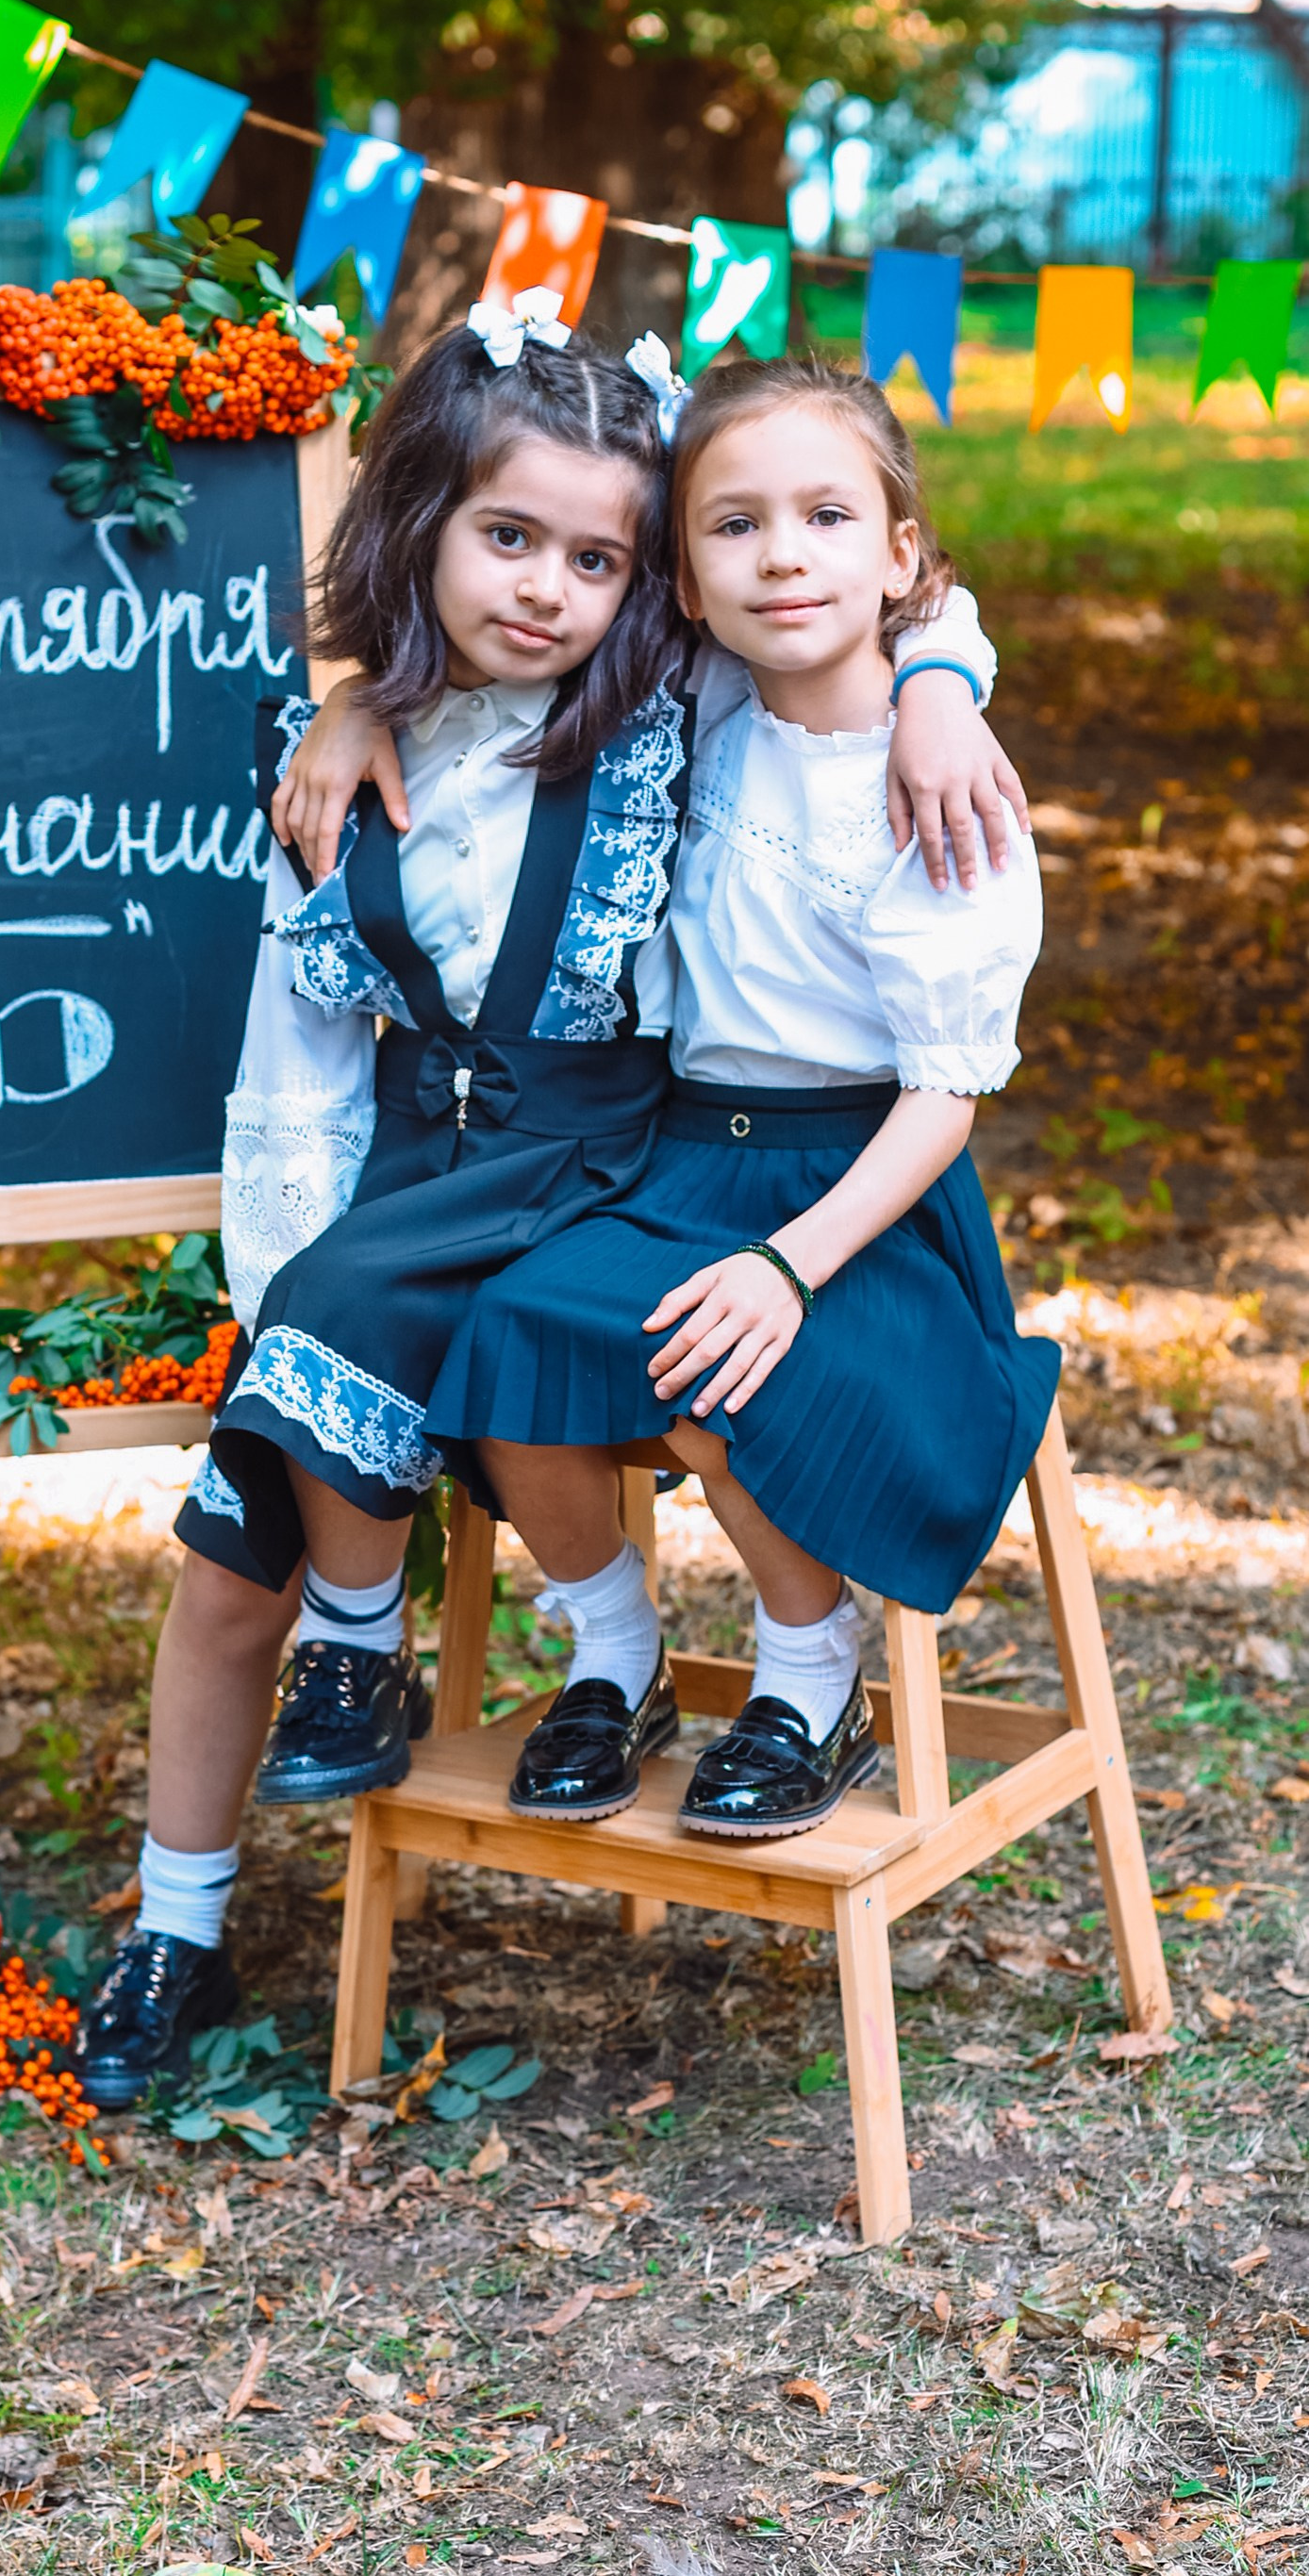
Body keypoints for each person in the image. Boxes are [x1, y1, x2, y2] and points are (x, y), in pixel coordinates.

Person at [74, 308, 1021, 2108]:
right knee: (223, 1567)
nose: (549, 588)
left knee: (460, 1362)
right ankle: (175, 1928)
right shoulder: (330, 755)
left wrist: (932, 685)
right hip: (384, 1217)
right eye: (509, 538)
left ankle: (474, 1658)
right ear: (421, 512)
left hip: (601, 1174)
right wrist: (359, 695)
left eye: (597, 556)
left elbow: (861, 581)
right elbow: (296, 1063)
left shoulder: (663, 704)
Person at [429, 352, 1058, 1840]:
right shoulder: (692, 691)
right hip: (674, 1161)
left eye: (827, 517)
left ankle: (804, 1678)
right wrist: (341, 716)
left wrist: (934, 690)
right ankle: (615, 1654)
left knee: (724, 1370)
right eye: (734, 526)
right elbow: (464, 662)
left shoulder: (945, 794)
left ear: (897, 554)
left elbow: (944, 1097)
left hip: (861, 1197)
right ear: (687, 583)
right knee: (507, 1336)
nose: (783, 552)